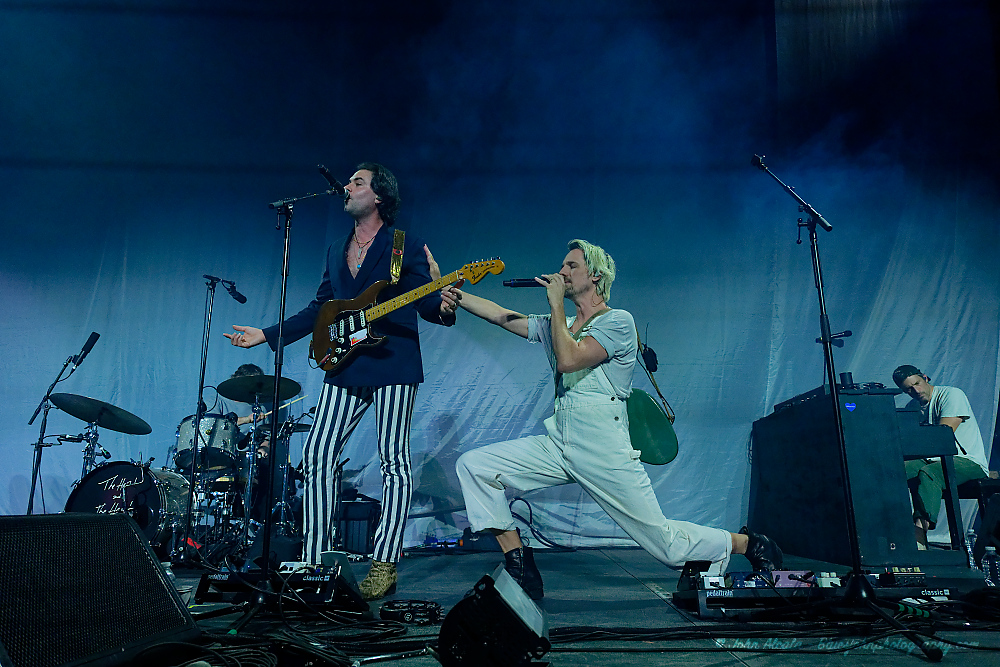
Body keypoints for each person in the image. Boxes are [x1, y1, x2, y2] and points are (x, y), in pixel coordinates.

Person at [452, 239, 782, 600]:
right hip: (560, 439)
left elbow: (569, 360)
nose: (561, 273)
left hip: (602, 442)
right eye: (562, 267)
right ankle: (519, 565)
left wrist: (554, 306)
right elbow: (502, 315)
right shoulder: (559, 324)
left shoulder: (618, 321)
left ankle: (748, 543)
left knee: (666, 546)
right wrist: (456, 294)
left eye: (570, 266)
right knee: (476, 466)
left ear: (594, 276)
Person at [226, 163, 462, 600]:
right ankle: (315, 558)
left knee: (393, 459)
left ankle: (385, 561)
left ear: (378, 197)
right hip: (347, 364)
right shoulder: (337, 249)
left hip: (393, 363)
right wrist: (267, 334)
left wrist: (444, 304)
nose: (348, 188)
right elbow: (321, 307)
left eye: (358, 182)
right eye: (350, 181)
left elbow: (428, 304)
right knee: (316, 453)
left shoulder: (400, 245)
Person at [892, 364, 990, 548]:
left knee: (931, 473)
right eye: (909, 389)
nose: (916, 390)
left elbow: (942, 437)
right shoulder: (912, 406)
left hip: (967, 461)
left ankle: (918, 534)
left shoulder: (951, 395)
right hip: (931, 459)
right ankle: (891, 529)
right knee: (896, 471)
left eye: (917, 383)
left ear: (926, 378)